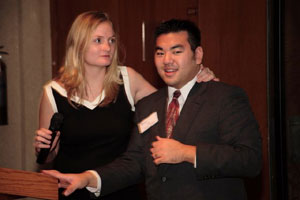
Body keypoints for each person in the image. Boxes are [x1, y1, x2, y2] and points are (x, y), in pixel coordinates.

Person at [43, 18, 262, 200]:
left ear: (197, 55)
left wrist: (187, 153)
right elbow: (135, 161)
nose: (167, 60)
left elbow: (250, 160)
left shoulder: (224, 96)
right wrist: (88, 178)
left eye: (176, 51)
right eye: (160, 53)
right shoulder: (148, 105)